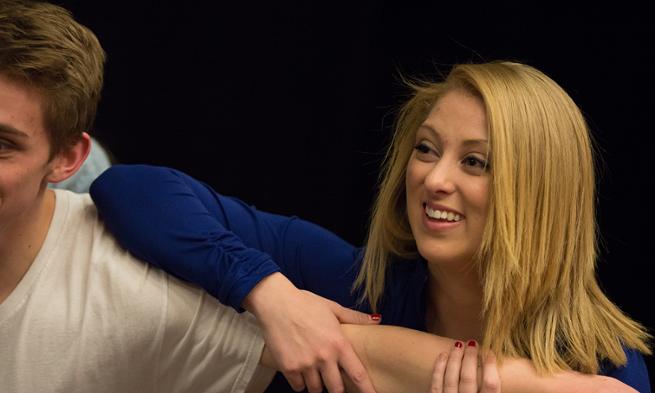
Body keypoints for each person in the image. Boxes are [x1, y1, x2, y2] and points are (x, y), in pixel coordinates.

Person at [90, 61, 651, 392]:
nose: (434, 179)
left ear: (541, 194)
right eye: (427, 149)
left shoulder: (602, 363)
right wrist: (270, 293)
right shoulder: (354, 284)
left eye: (474, 162)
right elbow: (131, 189)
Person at [0, 1, 282, 392]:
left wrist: (280, 301)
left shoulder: (131, 294)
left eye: (2, 144)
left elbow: (364, 360)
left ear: (67, 158)